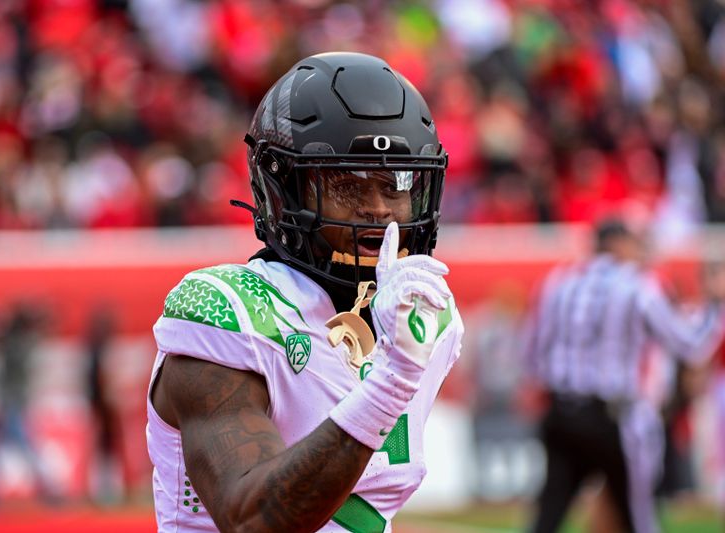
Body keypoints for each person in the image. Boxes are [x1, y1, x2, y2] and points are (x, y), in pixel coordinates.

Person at [145, 52, 463, 532]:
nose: (380, 209)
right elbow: (251, 519)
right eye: (348, 184)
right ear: (284, 190)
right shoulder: (226, 308)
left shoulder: (427, 315)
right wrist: (391, 381)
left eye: (396, 183)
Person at [523, 219, 725, 533]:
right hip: (611, 419)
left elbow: (532, 355)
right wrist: (716, 304)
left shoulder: (557, 282)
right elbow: (690, 344)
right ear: (618, 244)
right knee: (637, 517)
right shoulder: (636, 284)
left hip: (560, 413)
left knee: (547, 517)